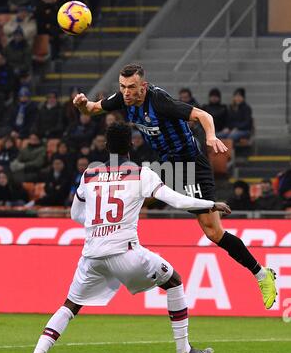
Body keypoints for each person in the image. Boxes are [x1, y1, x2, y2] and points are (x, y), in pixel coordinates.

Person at [23, 122, 231, 353]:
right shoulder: (142, 173)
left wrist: (98, 225)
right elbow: (174, 199)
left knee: (70, 305)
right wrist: (210, 203)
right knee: (174, 281)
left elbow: (76, 214)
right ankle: (184, 350)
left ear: (106, 146)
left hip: (92, 255)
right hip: (126, 252)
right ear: (131, 145)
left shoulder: (89, 174)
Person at [73, 63, 277, 310]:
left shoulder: (159, 101)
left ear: (143, 87)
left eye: (132, 87)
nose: (126, 92)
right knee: (134, 196)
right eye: (123, 87)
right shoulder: (123, 99)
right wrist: (82, 104)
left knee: (213, 232)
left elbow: (203, 115)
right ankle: (126, 253)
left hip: (191, 167)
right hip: (167, 165)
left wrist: (210, 136)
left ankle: (261, 274)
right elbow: (93, 109)